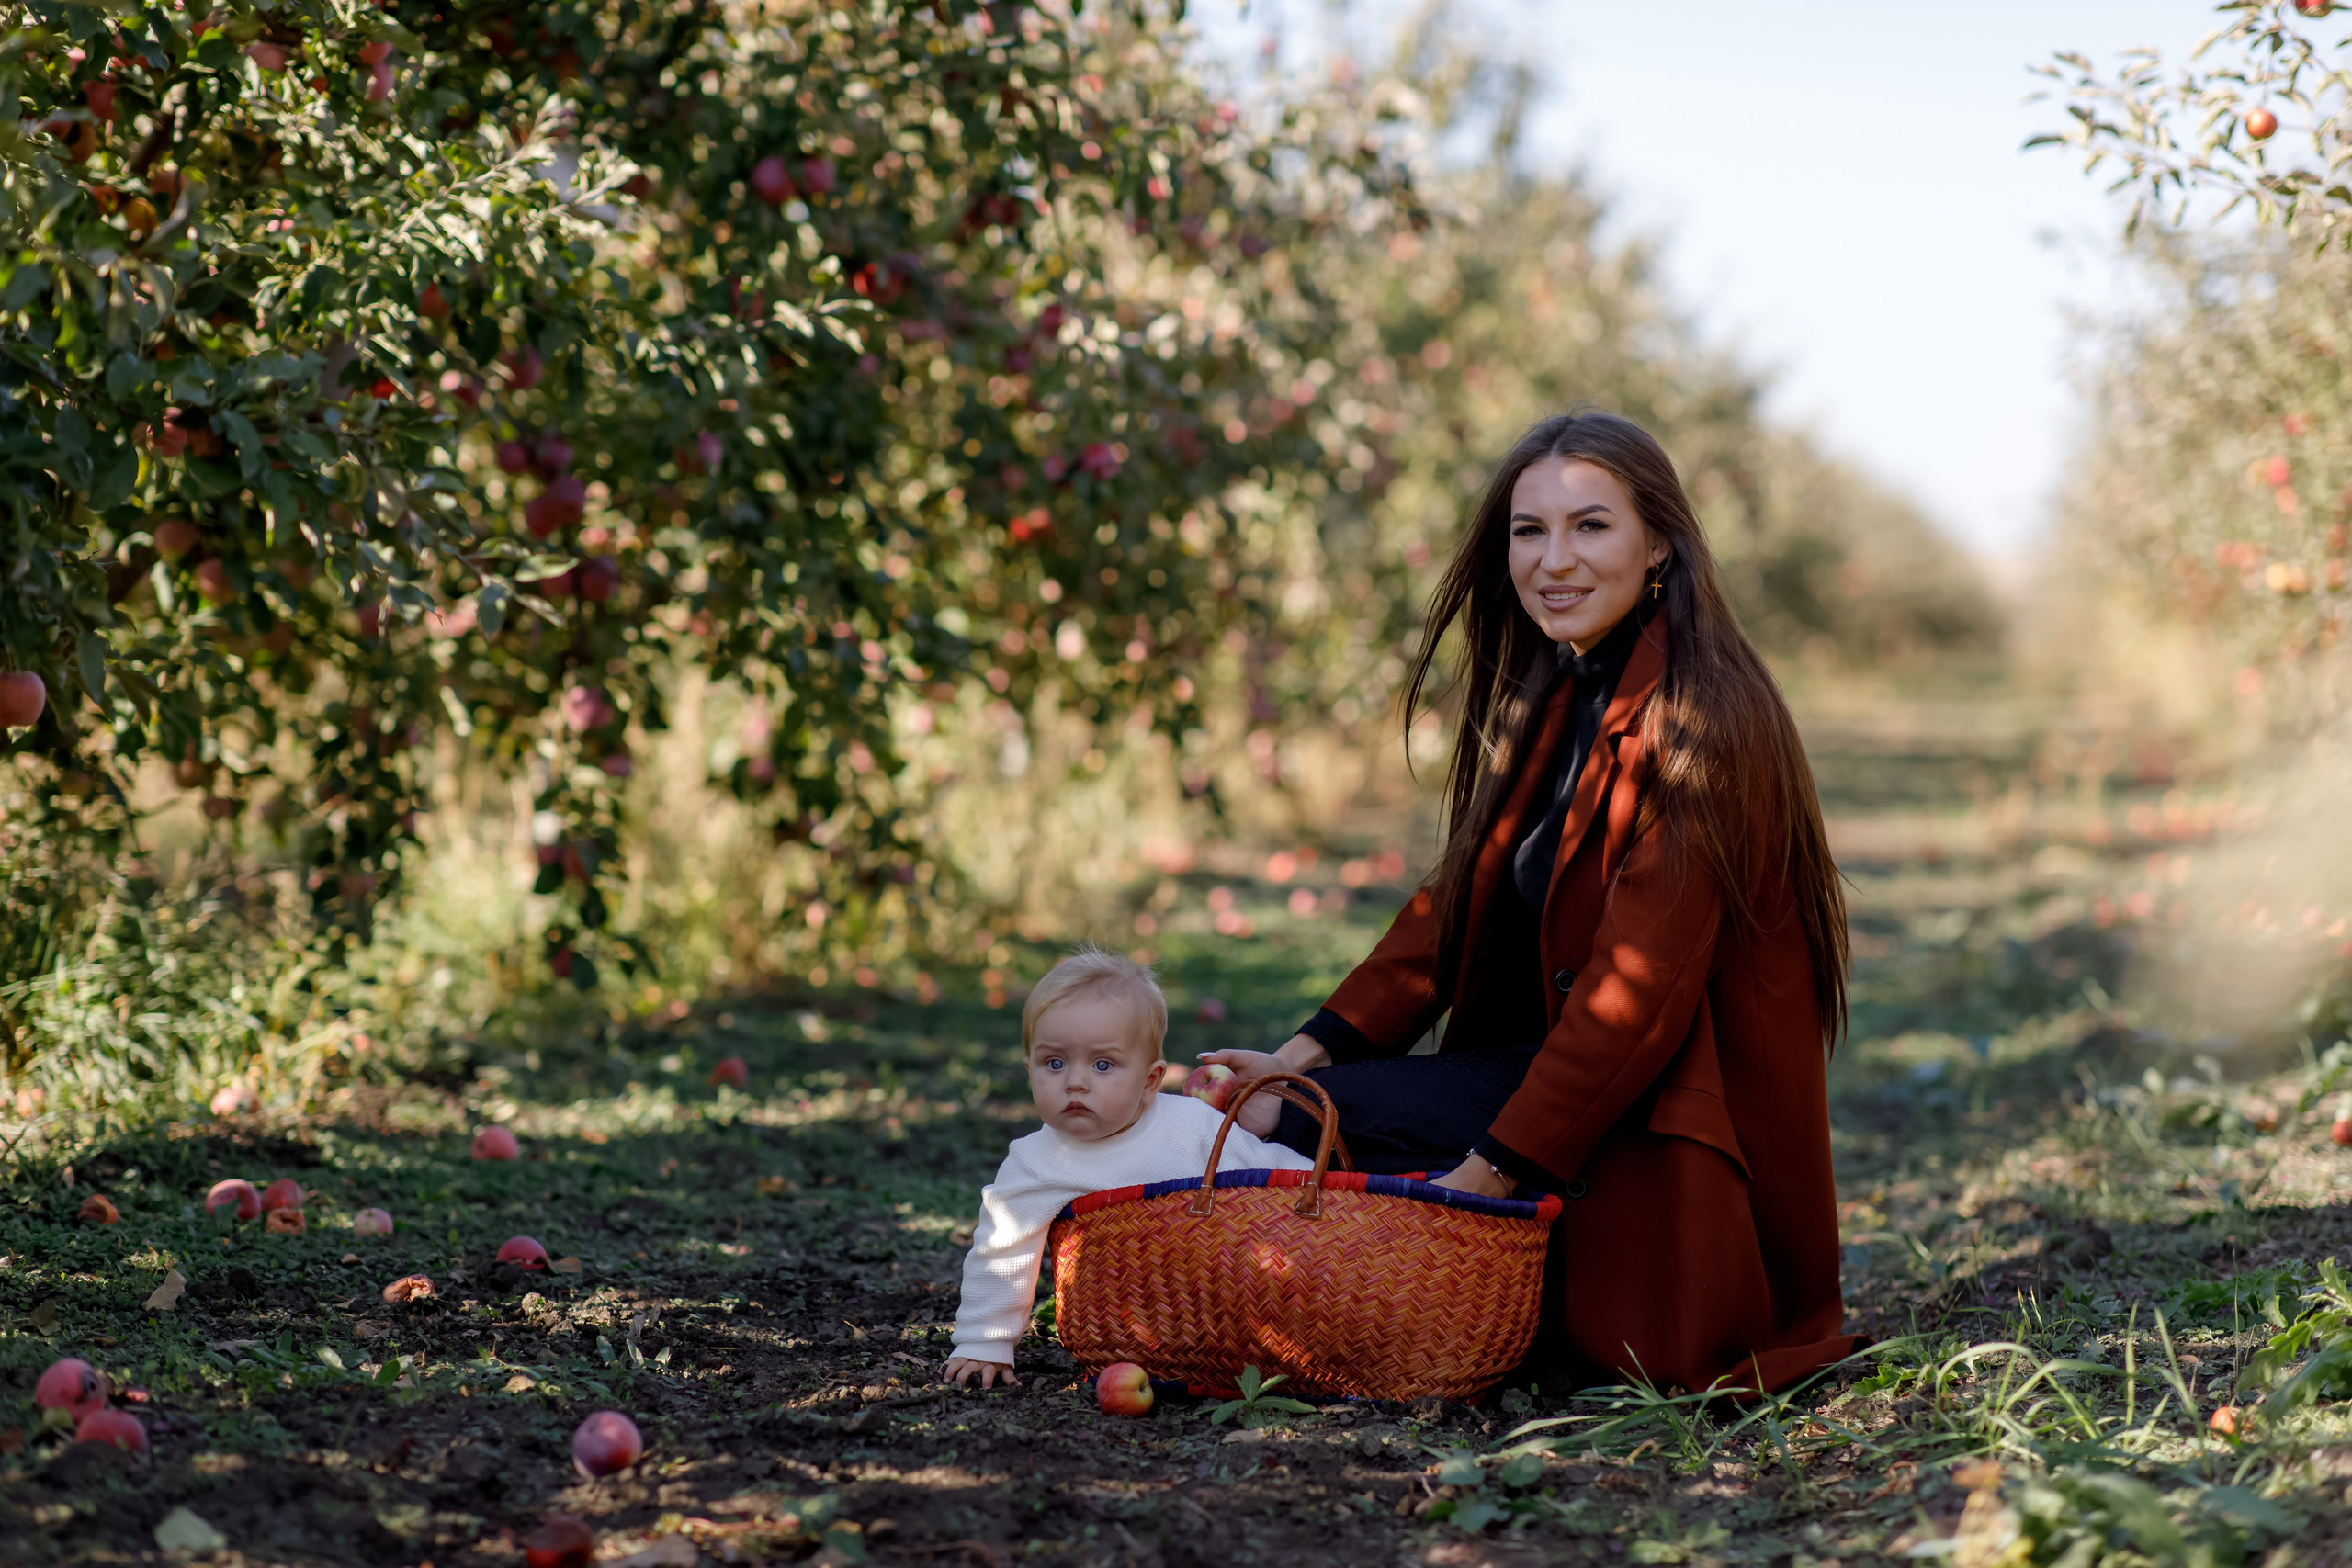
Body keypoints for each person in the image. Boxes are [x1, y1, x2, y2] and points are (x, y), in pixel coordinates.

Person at [1207, 409, 1860, 1396]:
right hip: (1552, 1074)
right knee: (1263, 1105)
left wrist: (1486, 1180)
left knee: (1283, 1130)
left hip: (1656, 1121)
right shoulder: (1563, 689)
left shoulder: (1702, 720)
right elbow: (1455, 902)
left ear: (1658, 547)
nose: (1554, 559)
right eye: (1529, 530)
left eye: (1590, 526)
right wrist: (1299, 1057)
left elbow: (1632, 996)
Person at [944, 946, 1313, 1387]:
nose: (1075, 1080)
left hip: (1225, 1298)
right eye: (1053, 1063)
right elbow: (1002, 1248)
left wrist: (1334, 1189)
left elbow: (1270, 1172)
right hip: (1127, 1320)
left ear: (1150, 1080)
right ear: (1029, 1069)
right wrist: (985, 1342)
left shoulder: (1193, 1125)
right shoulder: (1037, 1160)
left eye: (1103, 1065)